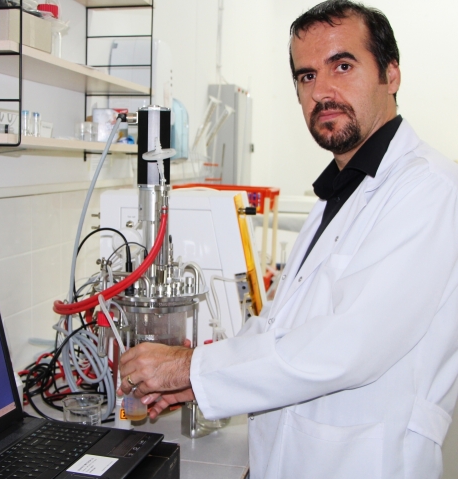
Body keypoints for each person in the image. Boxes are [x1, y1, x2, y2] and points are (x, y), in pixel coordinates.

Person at [118, 1, 458, 478]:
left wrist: (189, 366)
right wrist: (197, 383)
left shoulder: (430, 189)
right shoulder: (341, 193)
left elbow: (349, 345)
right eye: (306, 76)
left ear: (391, 74)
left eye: (343, 65)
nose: (322, 91)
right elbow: (279, 328)